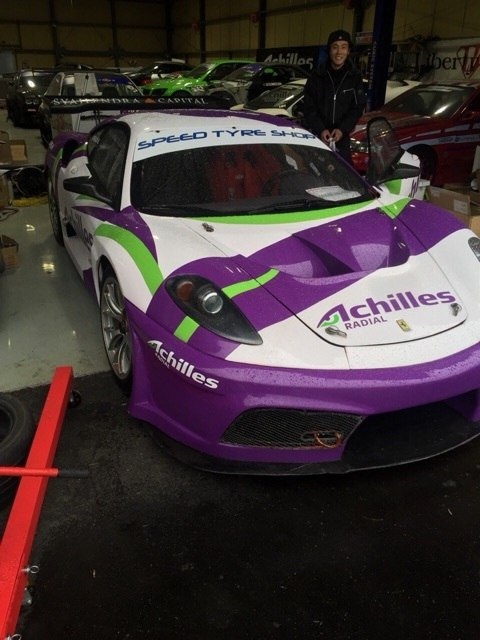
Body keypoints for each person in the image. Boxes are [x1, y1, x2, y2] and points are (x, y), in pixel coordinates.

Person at [302, 29, 366, 164]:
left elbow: (357, 108)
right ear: (329, 50)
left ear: (348, 51)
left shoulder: (354, 77)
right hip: (318, 137)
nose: (339, 52)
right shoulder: (316, 76)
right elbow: (308, 106)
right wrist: (320, 129)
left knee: (344, 173)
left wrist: (342, 129)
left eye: (343, 47)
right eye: (335, 47)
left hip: (341, 138)